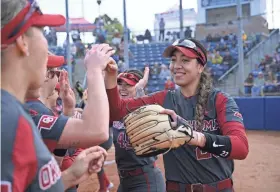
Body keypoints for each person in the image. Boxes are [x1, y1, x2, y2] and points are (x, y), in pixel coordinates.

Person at [104, 38, 249, 192]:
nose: (176, 66)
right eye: (173, 60)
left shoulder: (220, 100)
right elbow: (116, 112)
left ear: (200, 66)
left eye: (185, 60)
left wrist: (193, 136)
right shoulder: (162, 99)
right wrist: (111, 77)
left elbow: (241, 147)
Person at [1, 0, 107, 191]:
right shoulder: (10, 118)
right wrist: (94, 70)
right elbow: (97, 131)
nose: (47, 44)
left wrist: (68, 177)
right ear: (22, 41)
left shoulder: (12, 111)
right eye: (42, 31)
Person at [24, 43, 115, 151]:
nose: (58, 80)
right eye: (57, 74)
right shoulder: (35, 109)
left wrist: (68, 111)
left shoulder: (30, 107)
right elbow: (99, 133)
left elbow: (56, 160)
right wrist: (94, 70)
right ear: (46, 75)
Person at [107, 68, 166, 192]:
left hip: (146, 180)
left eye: (128, 85)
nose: (123, 88)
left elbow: (149, 119)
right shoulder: (116, 112)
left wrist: (140, 91)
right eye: (120, 83)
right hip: (124, 181)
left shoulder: (147, 109)